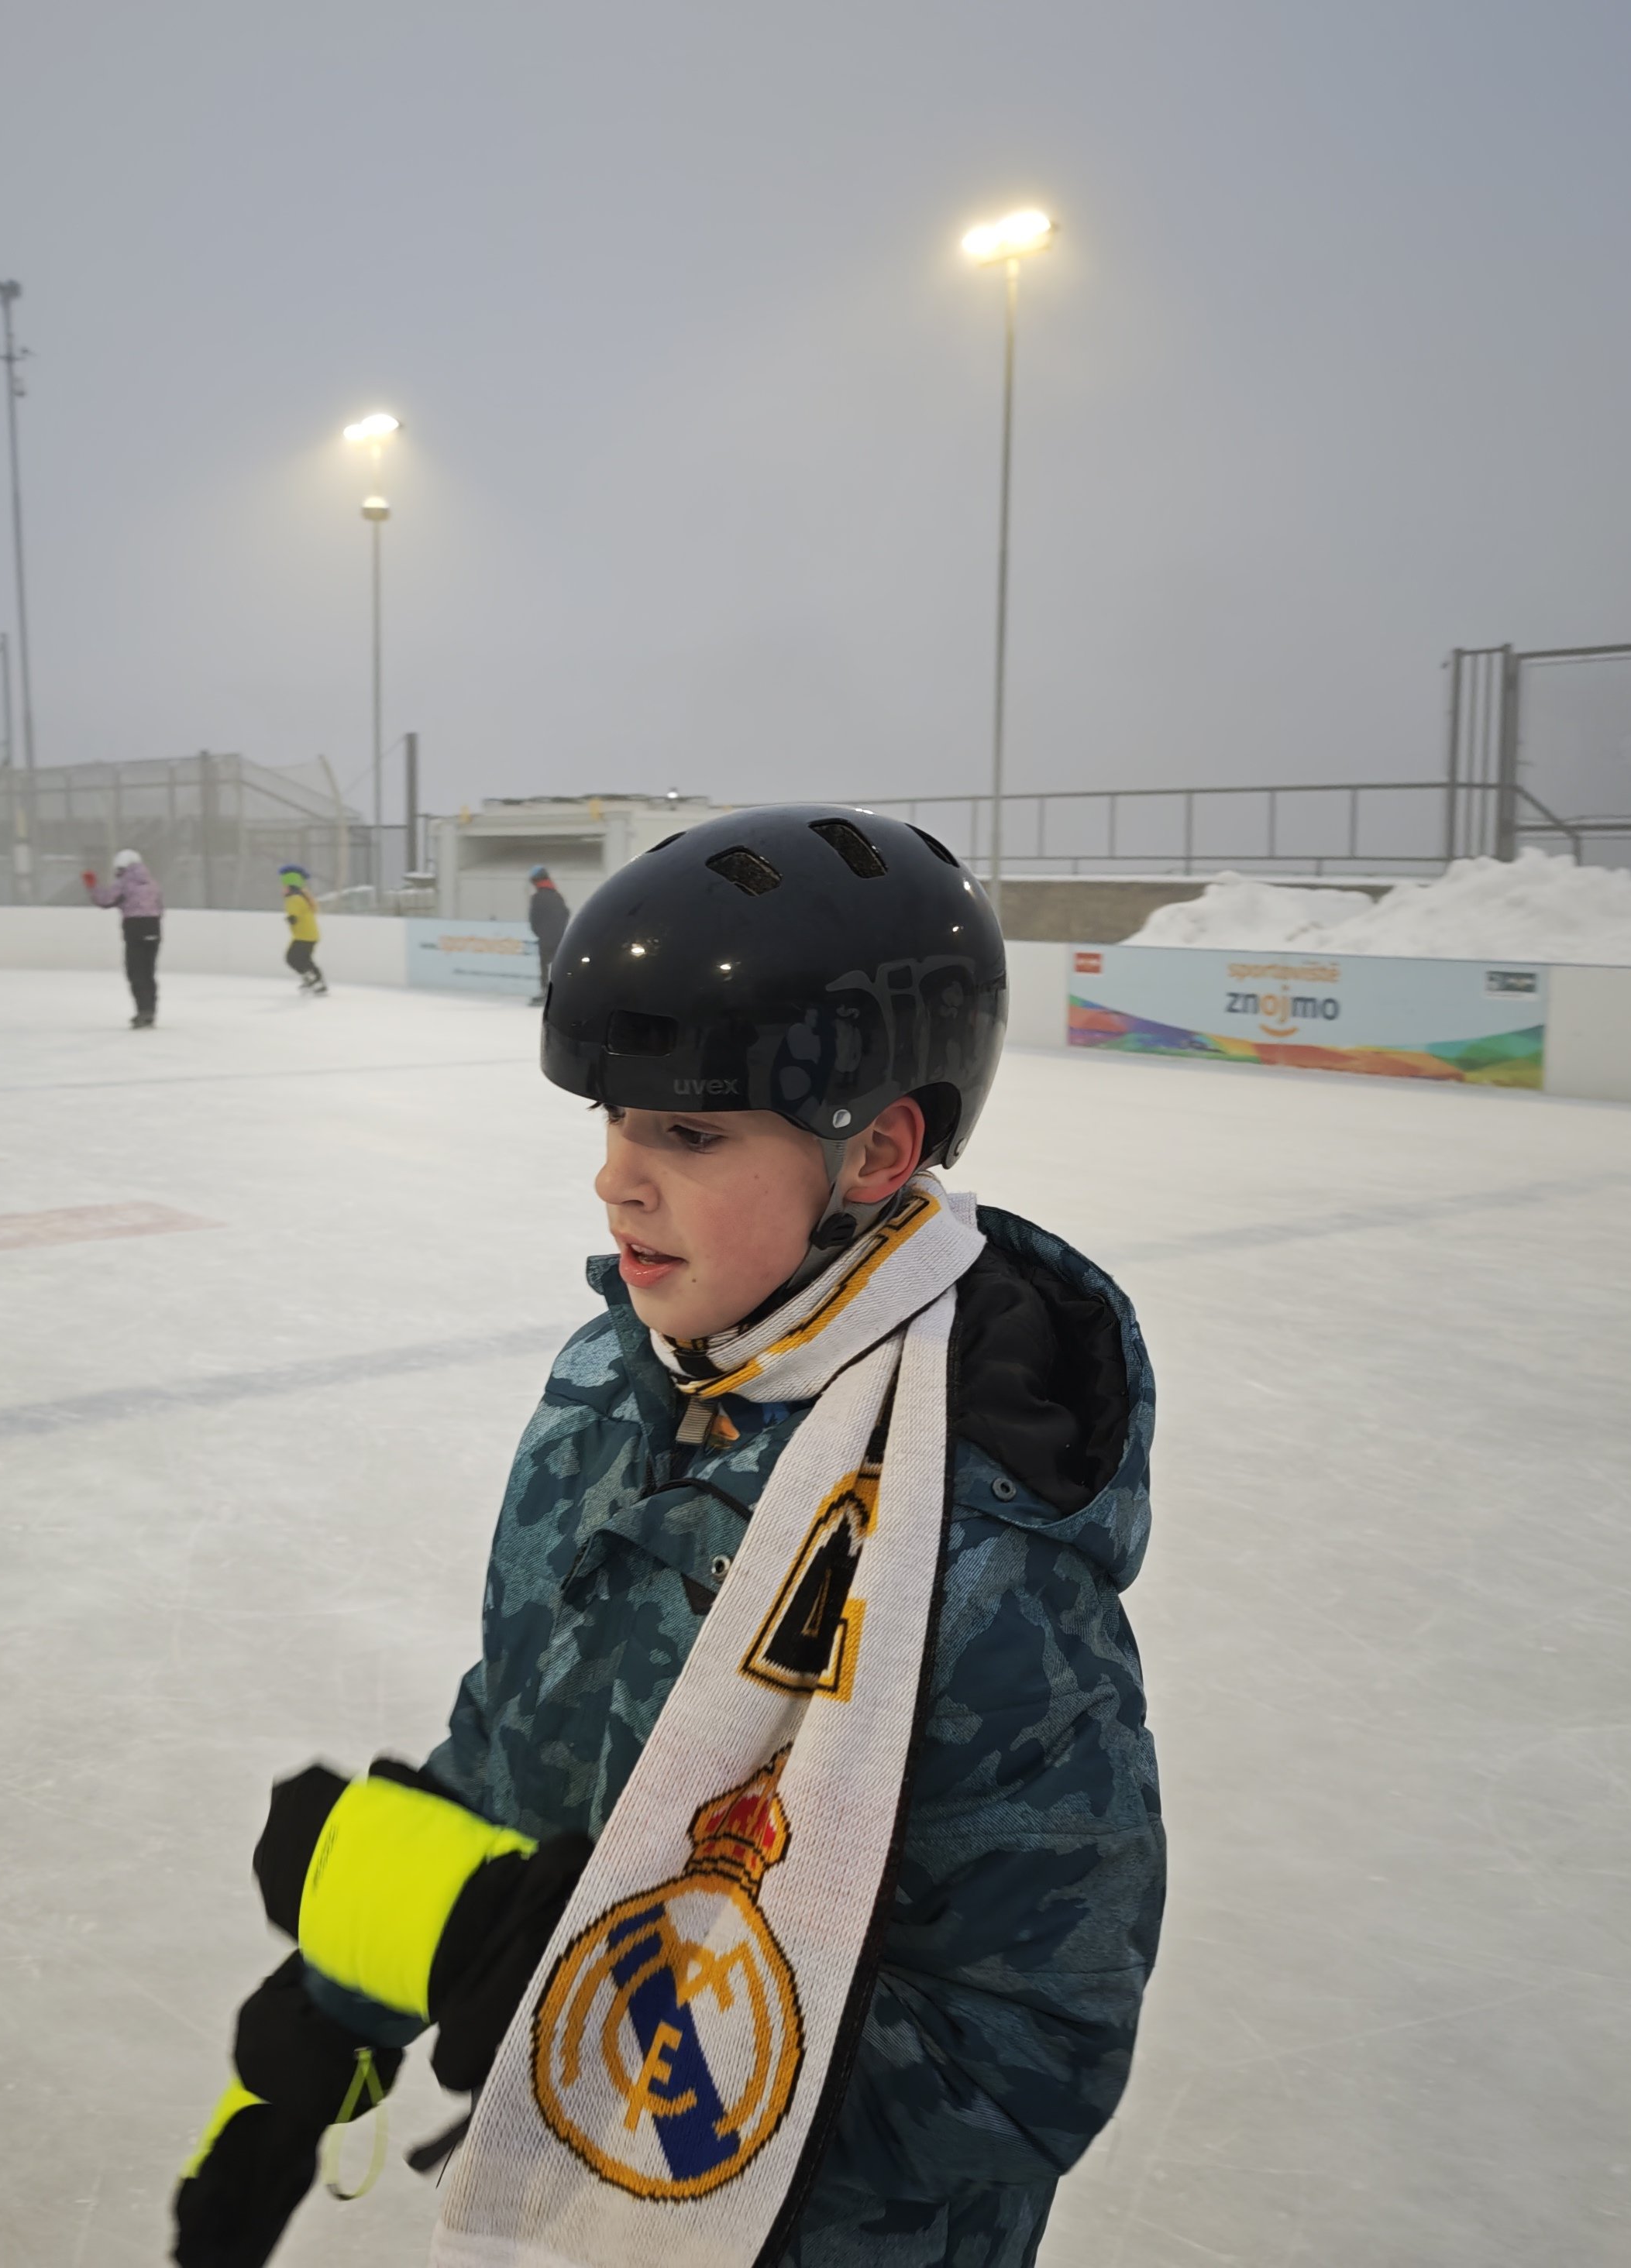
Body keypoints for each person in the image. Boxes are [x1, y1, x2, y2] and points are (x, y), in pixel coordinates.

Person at [172, 806, 1162, 2268]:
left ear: (879, 1149)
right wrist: (337, 2009)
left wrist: (581, 1998)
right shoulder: (609, 1385)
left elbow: (1027, 2061)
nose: (617, 1177)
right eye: (615, 1119)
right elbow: (523, 1740)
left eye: (689, 1132)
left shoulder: (978, 1553)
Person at [86, 847, 163, 1029]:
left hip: (134, 928)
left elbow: (105, 901)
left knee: (136, 972)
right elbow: (160, 907)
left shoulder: (124, 883)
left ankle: (143, 1012)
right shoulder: (153, 883)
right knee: (149, 973)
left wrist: (92, 887)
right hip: (154, 927)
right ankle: (150, 1011)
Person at [278, 865, 328, 996]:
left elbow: (294, 914)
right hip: (309, 935)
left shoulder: (293, 899)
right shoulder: (300, 897)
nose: (282, 889)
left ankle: (313, 979)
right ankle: (315, 980)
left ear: (289, 887)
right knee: (305, 959)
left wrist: (291, 919)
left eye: (284, 886)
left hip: (304, 936)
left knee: (292, 958)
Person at [525, 862, 569, 1004]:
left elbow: (534, 919)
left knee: (544, 966)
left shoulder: (537, 897)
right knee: (558, 967)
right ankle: (560, 993)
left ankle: (545, 992)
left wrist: (540, 933)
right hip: (559, 938)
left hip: (545, 938)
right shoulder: (557, 896)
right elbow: (566, 914)